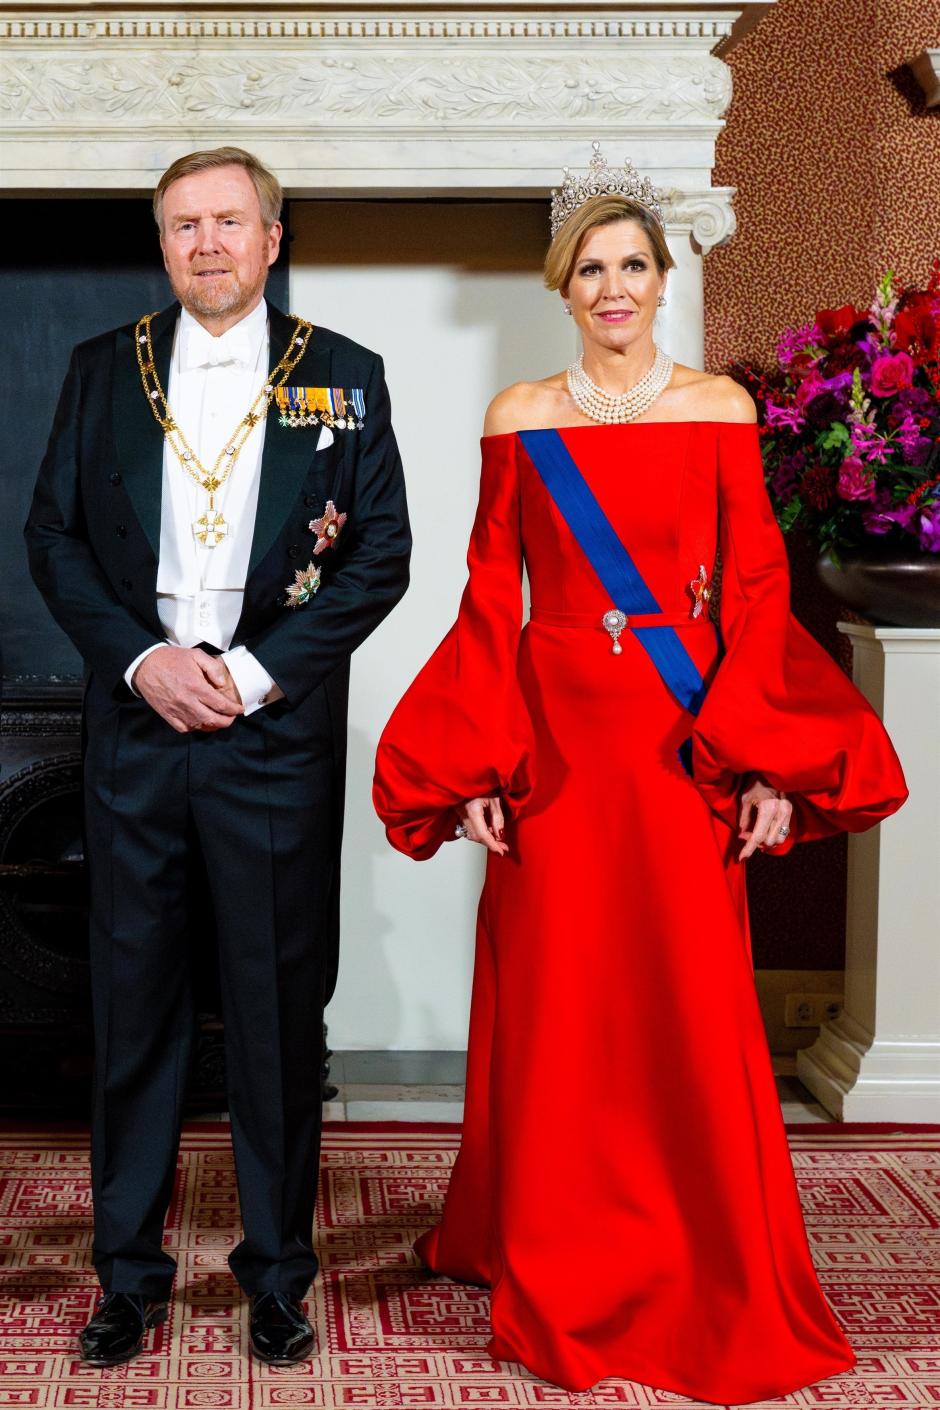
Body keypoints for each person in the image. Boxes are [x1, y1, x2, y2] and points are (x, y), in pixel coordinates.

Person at [372, 146, 907, 1404]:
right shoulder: (519, 416)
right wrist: (478, 761)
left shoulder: (719, 408)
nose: (612, 288)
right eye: (590, 269)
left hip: (679, 749)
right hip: (556, 752)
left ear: (664, 280)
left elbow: (757, 593)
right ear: (562, 287)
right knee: (563, 999)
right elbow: (487, 601)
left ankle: (696, 1250)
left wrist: (765, 760)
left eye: (632, 266)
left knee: (681, 998)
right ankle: (554, 1246)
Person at [25, 146, 410, 1368]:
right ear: (163, 244)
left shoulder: (343, 376)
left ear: (270, 239)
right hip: (137, 733)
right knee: (131, 1008)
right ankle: (126, 1278)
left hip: (271, 738)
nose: (207, 244)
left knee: (274, 1016)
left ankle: (278, 1275)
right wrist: (143, 660)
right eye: (184, 224)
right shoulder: (104, 368)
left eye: (228, 222)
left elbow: (380, 555)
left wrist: (248, 674)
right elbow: (53, 536)